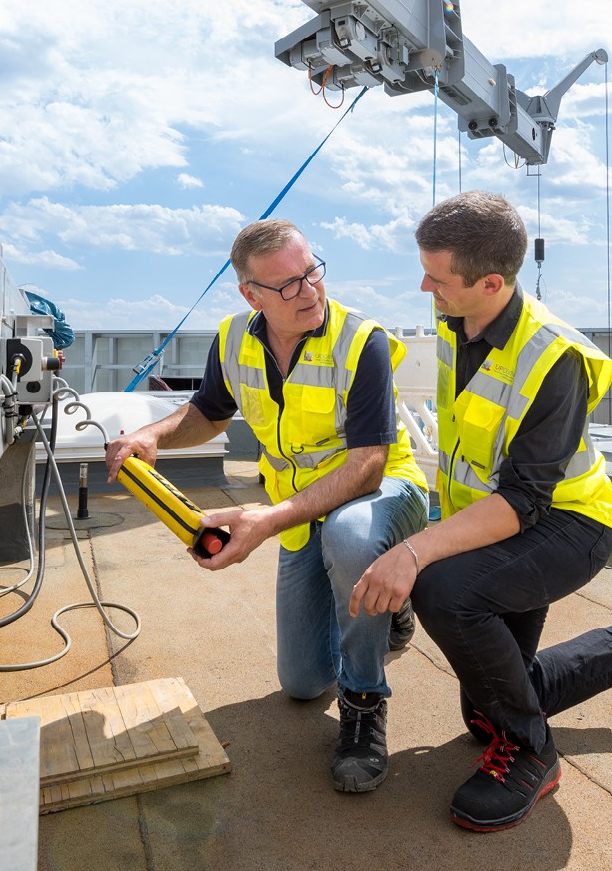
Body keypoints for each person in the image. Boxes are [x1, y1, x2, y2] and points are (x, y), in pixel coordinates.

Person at [347, 190, 612, 832]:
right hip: (499, 526)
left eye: (437, 276)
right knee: (487, 712)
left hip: (567, 525)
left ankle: (533, 753)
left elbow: (526, 499)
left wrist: (414, 550)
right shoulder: (458, 322)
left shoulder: (555, 358)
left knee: (444, 591)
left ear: (491, 282)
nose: (424, 286)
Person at [105, 219, 428, 793]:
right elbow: (207, 411)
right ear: (250, 295)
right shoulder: (233, 338)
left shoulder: (362, 340)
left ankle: (364, 704)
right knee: (303, 684)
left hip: (382, 493)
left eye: (312, 273)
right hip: (303, 511)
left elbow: (366, 466)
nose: (309, 292)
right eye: (286, 285)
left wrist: (265, 522)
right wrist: (153, 434)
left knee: (350, 539)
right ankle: (387, 608)